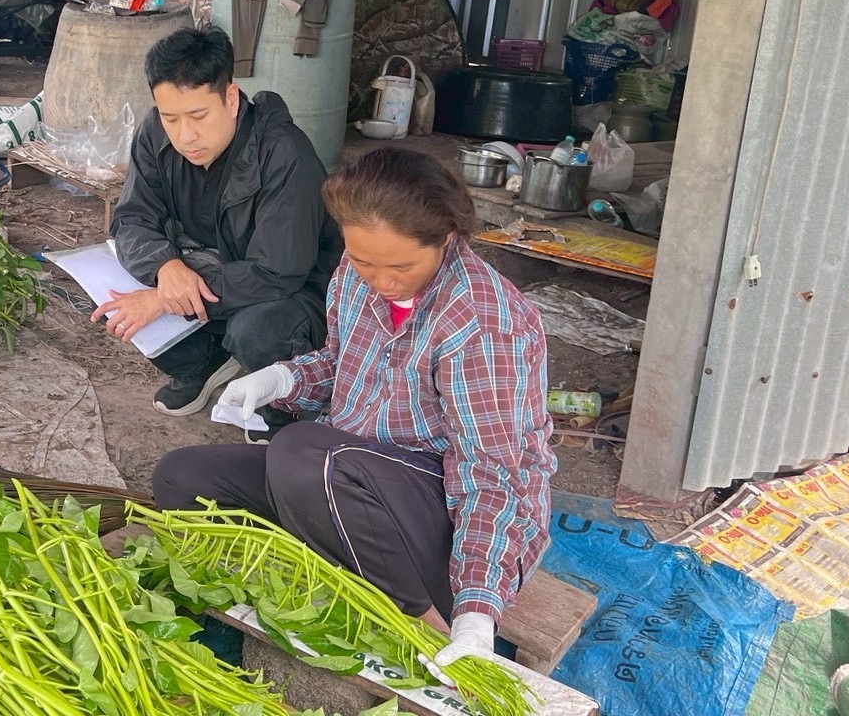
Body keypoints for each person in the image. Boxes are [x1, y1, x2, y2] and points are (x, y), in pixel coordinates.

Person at [152, 147, 554, 680]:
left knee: (302, 452)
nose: (381, 281)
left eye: (401, 266)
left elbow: (494, 474)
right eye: (364, 261)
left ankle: (428, 624)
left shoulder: (482, 323)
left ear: (447, 239)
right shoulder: (355, 271)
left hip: (437, 516)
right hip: (346, 485)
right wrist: (282, 379)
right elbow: (340, 362)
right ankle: (306, 581)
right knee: (181, 479)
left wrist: (476, 611)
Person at [96, 26, 341, 431]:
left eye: (198, 116)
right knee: (113, 291)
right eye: (170, 117)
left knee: (257, 331)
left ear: (230, 98)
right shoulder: (156, 131)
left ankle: (286, 410)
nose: (184, 135)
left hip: (298, 290)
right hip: (216, 268)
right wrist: (164, 267)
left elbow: (277, 271)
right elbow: (132, 218)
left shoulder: (285, 154)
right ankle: (203, 363)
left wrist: (163, 298)